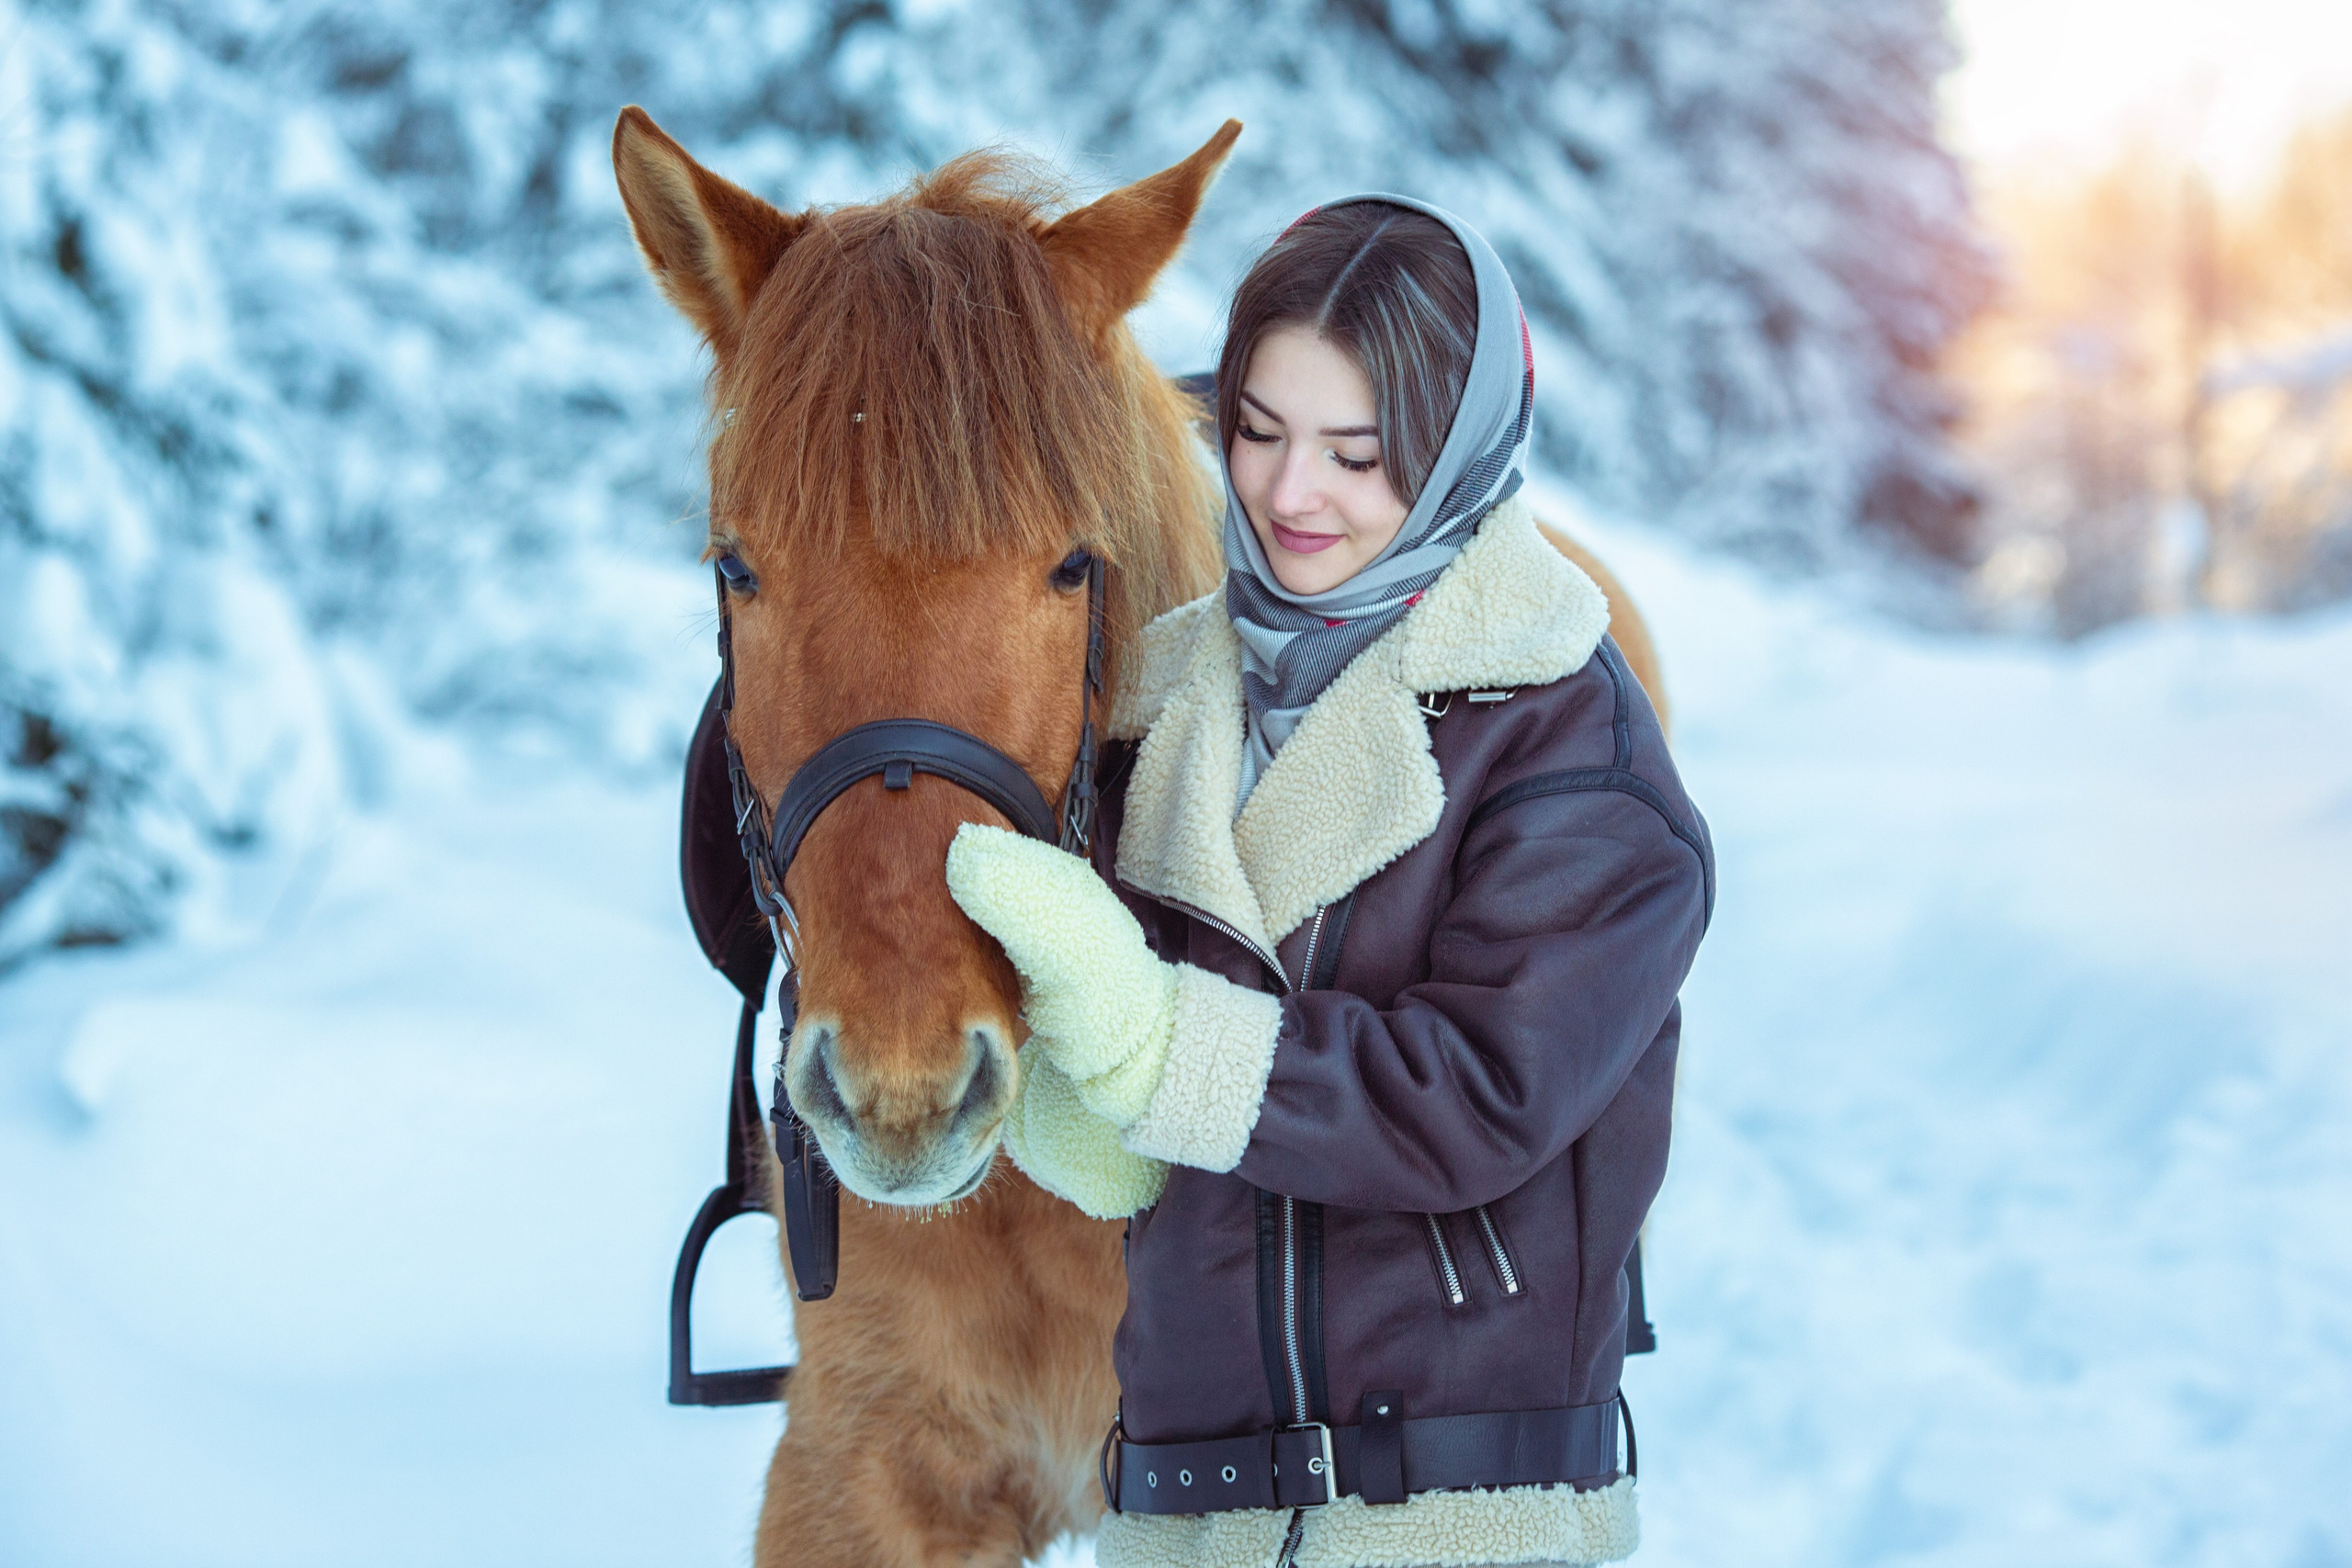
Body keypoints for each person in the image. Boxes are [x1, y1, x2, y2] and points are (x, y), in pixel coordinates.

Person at [945, 197, 1713, 1568]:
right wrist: (1062, 1085)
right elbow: (1158, 1148)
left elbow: (1478, 1094)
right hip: (1188, 1515)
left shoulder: (1568, 743)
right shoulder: (1170, 711)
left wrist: (1153, 1034)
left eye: (1358, 455)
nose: (1292, 497)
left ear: (1463, 448)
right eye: (1257, 432)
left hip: (1451, 1517)